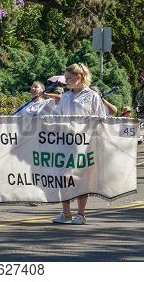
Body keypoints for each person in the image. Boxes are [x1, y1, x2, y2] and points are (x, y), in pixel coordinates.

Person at [52, 63, 107, 225]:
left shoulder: (92, 96)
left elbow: (101, 118)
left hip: (85, 144)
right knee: (64, 177)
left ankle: (81, 214)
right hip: (65, 142)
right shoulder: (65, 97)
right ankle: (66, 213)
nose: (66, 81)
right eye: (65, 78)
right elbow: (56, 116)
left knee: (82, 179)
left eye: (68, 78)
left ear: (79, 77)